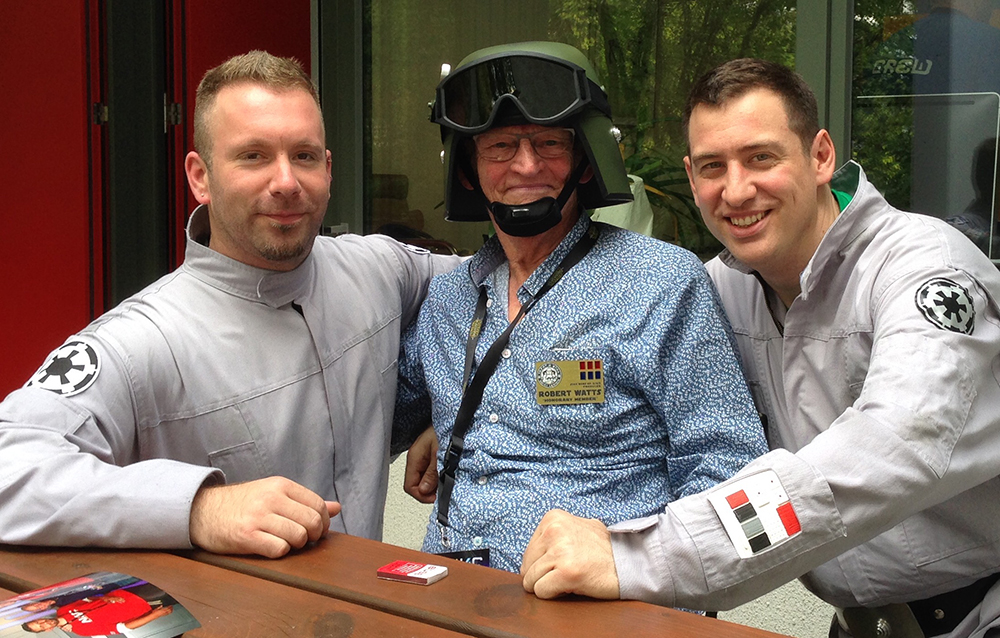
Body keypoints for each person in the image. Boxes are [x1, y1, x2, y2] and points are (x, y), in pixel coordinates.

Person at [520, 57, 1000, 638]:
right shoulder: (719, 290)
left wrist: (641, 556)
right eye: (712, 167)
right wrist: (462, 406)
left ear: (820, 156)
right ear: (690, 177)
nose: (737, 189)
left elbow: (896, 445)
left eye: (761, 158)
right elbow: (612, 349)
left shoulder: (922, 269)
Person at [0, 51, 459, 559]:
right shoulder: (139, 343)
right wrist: (199, 508)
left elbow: (502, 289)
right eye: (253, 156)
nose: (285, 182)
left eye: (304, 156)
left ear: (328, 170)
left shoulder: (378, 270)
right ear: (200, 177)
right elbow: (10, 472)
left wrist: (458, 408)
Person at [394, 41, 767, 575]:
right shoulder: (448, 301)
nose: (526, 165)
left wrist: (645, 573)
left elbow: (729, 467)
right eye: (499, 147)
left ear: (587, 162)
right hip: (451, 596)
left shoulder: (660, 284)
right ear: (469, 170)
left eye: (550, 143)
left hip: (599, 607)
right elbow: (360, 418)